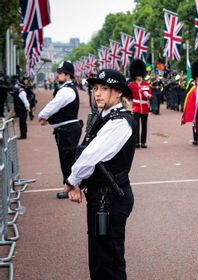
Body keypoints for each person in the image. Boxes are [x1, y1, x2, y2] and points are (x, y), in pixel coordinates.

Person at [64, 69, 136, 280]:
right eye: (96, 88)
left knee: (108, 262)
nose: (98, 93)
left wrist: (72, 181)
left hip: (110, 198)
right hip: (102, 195)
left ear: (119, 93)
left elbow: (90, 156)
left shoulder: (119, 121)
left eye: (105, 89)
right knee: (98, 257)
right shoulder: (105, 117)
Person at [38, 61, 83, 199]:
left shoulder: (66, 90)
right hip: (67, 129)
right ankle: (70, 186)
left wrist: (43, 116)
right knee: (67, 159)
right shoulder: (66, 88)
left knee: (68, 160)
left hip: (67, 130)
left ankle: (70, 188)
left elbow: (53, 105)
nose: (57, 75)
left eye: (60, 72)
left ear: (67, 75)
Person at [128, 59, 152, 149]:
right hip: (136, 107)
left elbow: (151, 96)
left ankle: (143, 142)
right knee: (136, 125)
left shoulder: (147, 84)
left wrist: (148, 96)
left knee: (144, 126)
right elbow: (129, 96)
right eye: (137, 75)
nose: (139, 76)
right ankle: (136, 142)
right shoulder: (131, 85)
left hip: (145, 107)